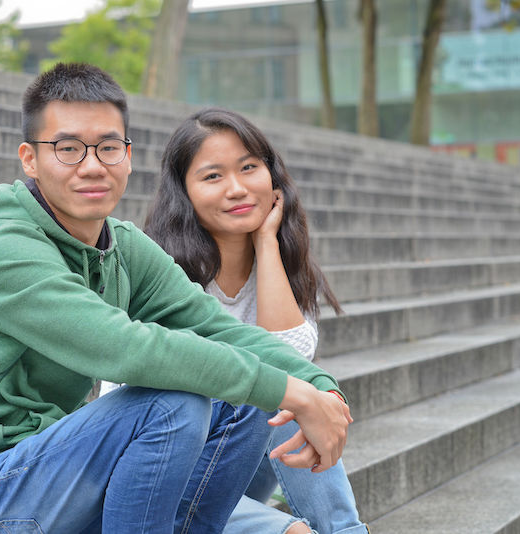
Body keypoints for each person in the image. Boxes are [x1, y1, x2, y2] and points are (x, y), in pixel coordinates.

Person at [0, 62, 351, 534]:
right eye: (67, 149)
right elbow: (123, 348)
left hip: (65, 472)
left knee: (245, 397)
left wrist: (322, 389)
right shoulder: (6, 251)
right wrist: (293, 394)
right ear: (30, 158)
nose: (92, 166)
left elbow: (218, 327)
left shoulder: (121, 245)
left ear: (127, 154)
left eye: (108, 148)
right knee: (174, 402)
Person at [144, 107, 369, 534]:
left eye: (249, 168)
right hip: (162, 484)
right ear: (183, 193)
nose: (237, 188)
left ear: (273, 177)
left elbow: (289, 363)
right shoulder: (161, 275)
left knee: (290, 396)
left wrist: (266, 243)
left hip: (236, 475)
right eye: (213, 176)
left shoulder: (283, 266)